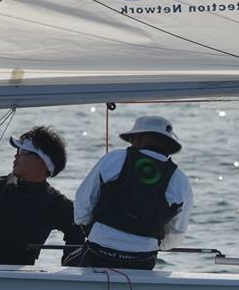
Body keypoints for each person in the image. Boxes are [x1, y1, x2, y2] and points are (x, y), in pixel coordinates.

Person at [67, 115, 192, 270]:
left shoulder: (114, 158)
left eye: (133, 138)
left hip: (100, 250)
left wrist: (91, 228)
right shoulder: (180, 180)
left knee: (70, 262)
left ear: (140, 138)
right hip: (143, 259)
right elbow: (176, 233)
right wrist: (149, 244)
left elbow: (83, 201)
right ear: (167, 144)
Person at [0, 126, 85, 265]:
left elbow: (78, 233)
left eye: (22, 151)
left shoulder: (56, 203)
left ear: (42, 161)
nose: (16, 156)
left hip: (23, 275)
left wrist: (69, 269)